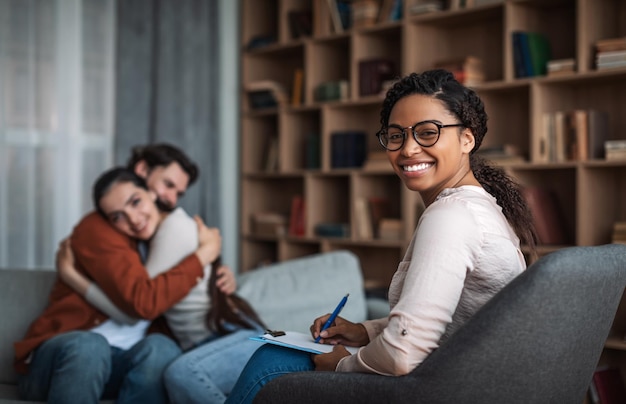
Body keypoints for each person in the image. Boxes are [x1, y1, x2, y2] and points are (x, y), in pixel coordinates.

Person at [224, 69, 538, 404]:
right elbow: (450, 321)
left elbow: (403, 353)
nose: (408, 149)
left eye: (428, 133)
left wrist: (341, 365)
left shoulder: (451, 216)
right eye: (396, 135)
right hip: (465, 380)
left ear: (467, 138)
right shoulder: (480, 208)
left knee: (271, 361)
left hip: (446, 390)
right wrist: (365, 331)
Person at [14, 143, 225, 403]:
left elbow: (165, 289)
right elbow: (142, 303)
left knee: (162, 349)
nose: (171, 199)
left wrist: (216, 272)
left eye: (178, 193)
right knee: (91, 346)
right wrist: (204, 254)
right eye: (168, 185)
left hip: (117, 363)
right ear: (143, 173)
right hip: (62, 360)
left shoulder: (156, 234)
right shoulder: (99, 229)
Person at [57, 167, 266, 404]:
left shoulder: (173, 229)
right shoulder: (148, 241)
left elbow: (140, 307)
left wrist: (72, 276)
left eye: (136, 202)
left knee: (181, 375)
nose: (133, 220)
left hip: (233, 335)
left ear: (151, 193)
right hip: (210, 343)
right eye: (118, 217)